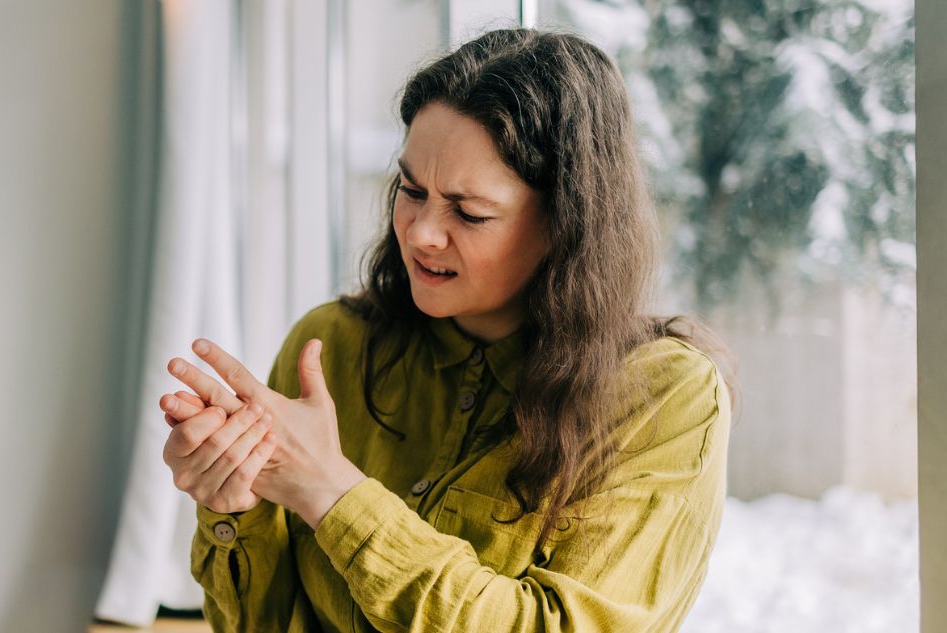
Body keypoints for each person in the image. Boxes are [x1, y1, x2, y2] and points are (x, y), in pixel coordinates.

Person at [158, 28, 736, 633]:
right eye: (411, 190)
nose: (421, 233)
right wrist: (231, 505)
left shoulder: (665, 397)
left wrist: (332, 492)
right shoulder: (331, 345)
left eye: (470, 212)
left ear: (568, 222)